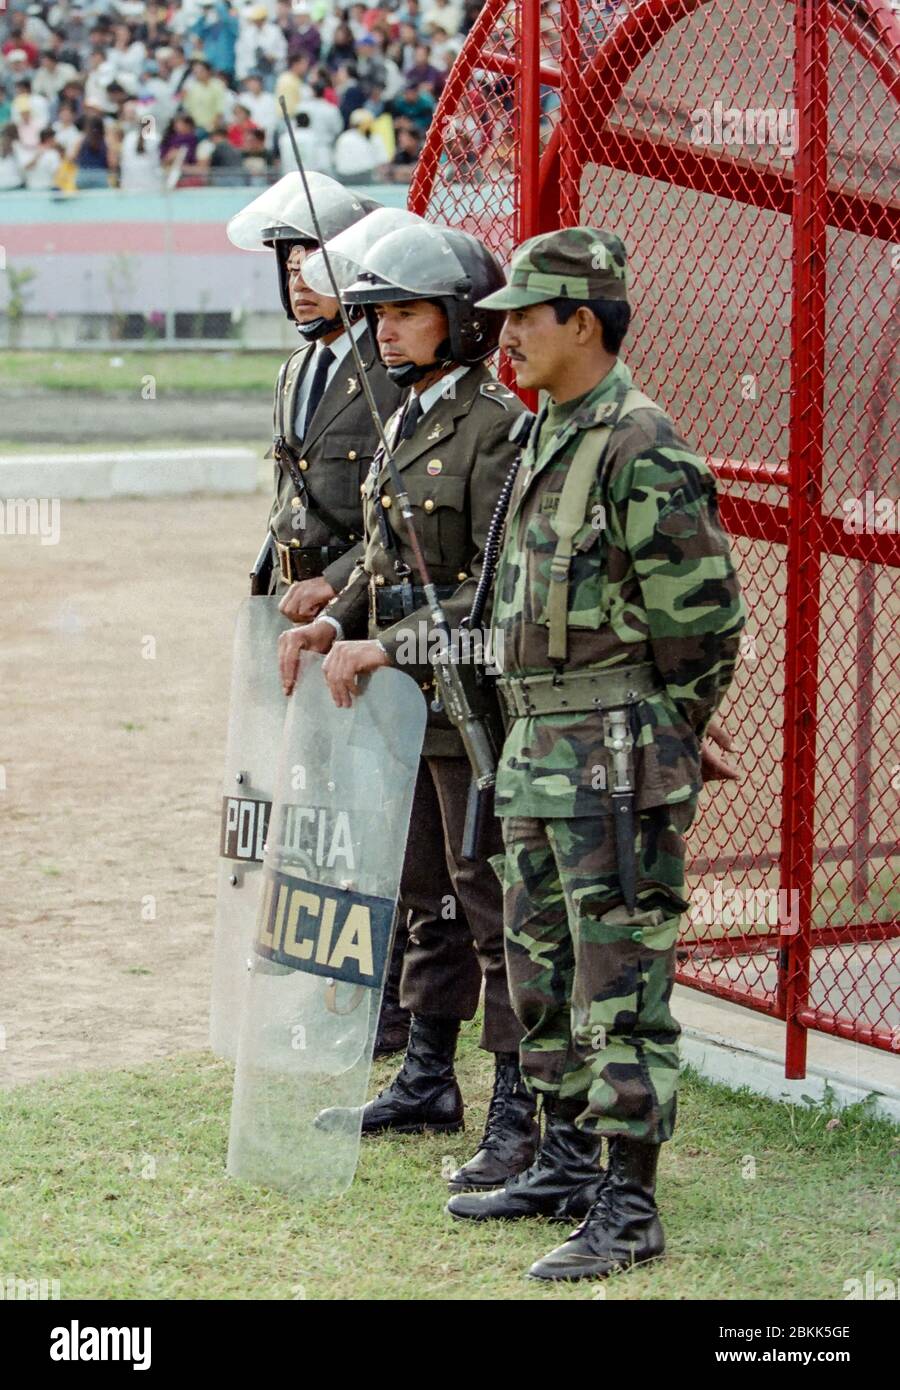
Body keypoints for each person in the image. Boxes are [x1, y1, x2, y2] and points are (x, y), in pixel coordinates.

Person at [444, 227, 745, 1280]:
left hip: (614, 762)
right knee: (543, 973)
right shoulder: (550, 432)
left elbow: (703, 629)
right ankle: (568, 1158)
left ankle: (629, 1203)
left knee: (620, 985)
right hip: (538, 751)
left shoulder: (639, 444)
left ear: (584, 320)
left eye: (525, 315)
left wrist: (668, 732)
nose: (506, 335)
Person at [278, 223, 540, 1193]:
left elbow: (486, 595)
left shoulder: (498, 430)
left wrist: (385, 642)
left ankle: (519, 1105)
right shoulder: (410, 415)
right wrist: (331, 620)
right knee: (423, 896)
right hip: (409, 708)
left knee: (490, 905)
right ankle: (429, 1076)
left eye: (406, 311)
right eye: (379, 311)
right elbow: (387, 558)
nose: (384, 329)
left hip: (473, 707)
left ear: (461, 321)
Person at [227, 179, 407, 1054]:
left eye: (319, 263)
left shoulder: (386, 373)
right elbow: (288, 500)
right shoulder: (299, 369)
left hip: (363, 620)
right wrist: (266, 588)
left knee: (378, 813)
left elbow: (395, 514)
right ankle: (339, 983)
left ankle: (394, 1004)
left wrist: (335, 590)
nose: (301, 280)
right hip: (294, 622)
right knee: (316, 806)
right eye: (290, 264)